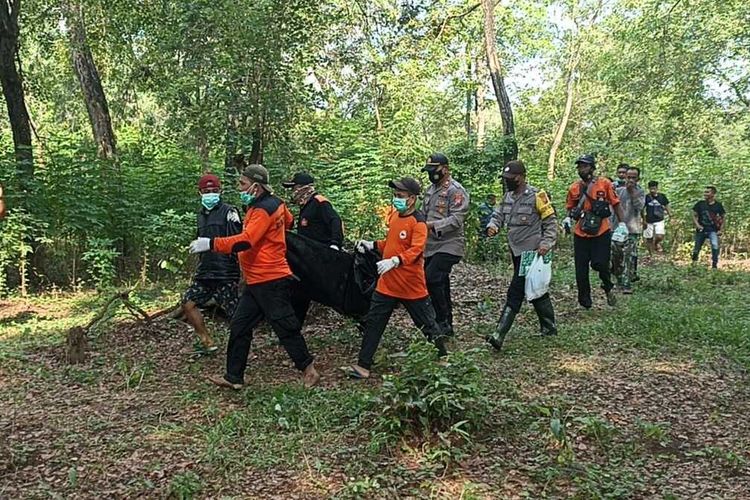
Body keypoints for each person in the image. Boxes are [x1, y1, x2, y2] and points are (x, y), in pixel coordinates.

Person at [189, 164, 320, 389]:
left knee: (284, 325)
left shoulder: (262, 210)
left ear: (256, 187)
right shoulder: (272, 204)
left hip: (270, 278)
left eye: (243, 184)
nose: (239, 187)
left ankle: (309, 370)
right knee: (240, 325)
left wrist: (210, 243)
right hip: (255, 279)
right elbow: (288, 222)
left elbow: (246, 240)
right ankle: (234, 377)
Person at [348, 177, 447, 379]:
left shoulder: (418, 223)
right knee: (374, 323)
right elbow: (391, 243)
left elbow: (416, 250)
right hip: (387, 284)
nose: (396, 199)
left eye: (399, 196)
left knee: (427, 323)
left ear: (411, 199)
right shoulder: (395, 217)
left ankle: (444, 359)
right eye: (395, 195)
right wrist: (372, 244)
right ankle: (363, 365)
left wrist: (395, 261)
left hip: (411, 285)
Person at [485, 160, 558, 350]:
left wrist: (546, 243)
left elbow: (550, 223)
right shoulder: (507, 197)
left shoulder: (538, 196)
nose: (508, 181)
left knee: (516, 290)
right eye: (506, 178)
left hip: (532, 252)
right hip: (515, 251)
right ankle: (549, 327)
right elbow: (498, 216)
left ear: (522, 177)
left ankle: (499, 334)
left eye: (512, 178)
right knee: (534, 287)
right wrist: (492, 226)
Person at [181, 174, 243, 354]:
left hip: (226, 272)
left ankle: (242, 349)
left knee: (236, 314)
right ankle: (207, 341)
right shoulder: (200, 216)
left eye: (214, 191)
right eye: (207, 191)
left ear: (220, 191)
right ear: (199, 192)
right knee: (188, 303)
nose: (210, 194)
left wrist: (240, 269)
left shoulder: (229, 212)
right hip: (205, 272)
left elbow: (238, 241)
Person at [563, 154, 626, 309]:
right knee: (581, 268)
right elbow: (570, 208)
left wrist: (622, 224)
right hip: (581, 232)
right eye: (579, 166)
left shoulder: (604, 184)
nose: (581, 169)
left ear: (591, 167)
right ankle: (584, 302)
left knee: (600, 263)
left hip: (601, 231)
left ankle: (607, 285)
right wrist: (568, 219)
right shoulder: (574, 188)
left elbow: (616, 204)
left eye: (584, 166)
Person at [282, 172, 345, 324]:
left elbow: (335, 221)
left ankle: (360, 318)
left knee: (330, 295)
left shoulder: (319, 202)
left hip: (321, 258)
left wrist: (335, 244)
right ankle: (293, 328)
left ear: (303, 188)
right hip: (308, 260)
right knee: (301, 292)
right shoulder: (306, 205)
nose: (293, 192)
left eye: (294, 188)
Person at [421, 153, 470, 336]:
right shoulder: (430, 190)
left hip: (450, 244)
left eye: (435, 171)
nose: (432, 174)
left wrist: (433, 226)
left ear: (445, 169)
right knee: (439, 282)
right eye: (429, 171)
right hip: (430, 246)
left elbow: (457, 219)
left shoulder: (456, 191)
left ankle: (441, 320)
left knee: (432, 277)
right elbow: (423, 214)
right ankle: (445, 323)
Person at [611, 167, 645, 294]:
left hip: (632, 229)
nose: (630, 180)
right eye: (628, 177)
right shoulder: (617, 190)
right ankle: (618, 279)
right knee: (616, 255)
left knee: (629, 256)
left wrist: (632, 192)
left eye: (633, 177)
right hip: (616, 228)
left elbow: (640, 206)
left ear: (638, 179)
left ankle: (626, 284)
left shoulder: (640, 191)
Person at [691, 186, 726, 269]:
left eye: (707, 192)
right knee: (696, 248)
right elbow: (693, 213)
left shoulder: (718, 205)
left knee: (715, 246)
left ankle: (714, 265)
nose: (705, 194)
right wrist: (697, 225)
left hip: (713, 230)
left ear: (713, 194)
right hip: (701, 229)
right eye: (705, 192)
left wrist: (721, 229)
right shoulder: (700, 204)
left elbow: (723, 217)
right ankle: (693, 264)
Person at [643, 181, 672, 255]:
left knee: (660, 236)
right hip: (649, 220)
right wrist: (643, 220)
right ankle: (651, 254)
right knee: (649, 238)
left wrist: (670, 215)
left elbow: (667, 205)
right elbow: (642, 208)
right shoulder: (646, 197)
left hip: (659, 219)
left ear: (657, 188)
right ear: (648, 188)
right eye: (651, 189)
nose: (652, 190)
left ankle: (656, 243)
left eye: (654, 188)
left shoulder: (662, 196)